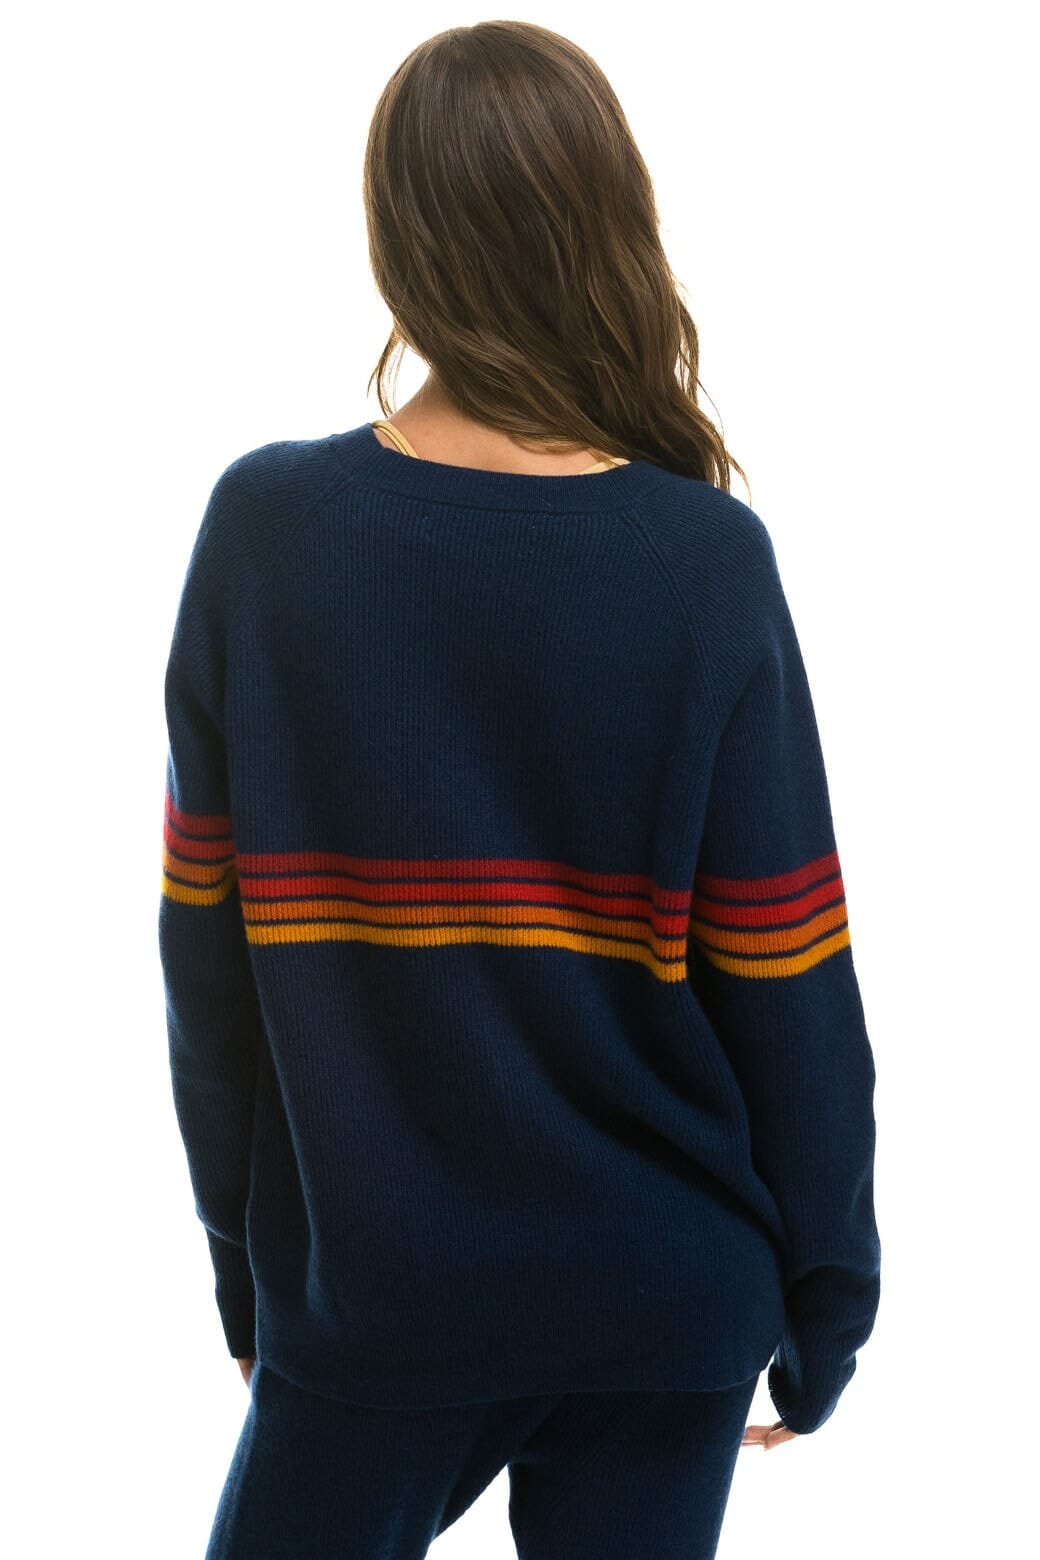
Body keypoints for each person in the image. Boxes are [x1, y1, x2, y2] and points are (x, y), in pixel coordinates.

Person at [158, 19, 881, 1559]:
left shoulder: (267, 533)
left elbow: (206, 959)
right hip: (665, 1296)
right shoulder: (704, 559)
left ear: (397, 233)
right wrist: (828, 1301)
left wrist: (248, 1272)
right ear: (614, 224)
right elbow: (791, 980)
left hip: (379, 1302)